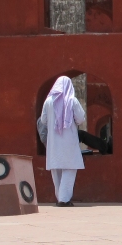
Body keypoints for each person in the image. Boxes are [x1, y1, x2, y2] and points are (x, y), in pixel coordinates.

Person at [37, 76, 86, 207]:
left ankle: (60, 197)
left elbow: (43, 120)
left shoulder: (48, 101)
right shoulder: (72, 100)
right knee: (70, 169)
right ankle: (64, 199)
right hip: (69, 140)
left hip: (54, 142)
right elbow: (81, 118)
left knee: (56, 169)